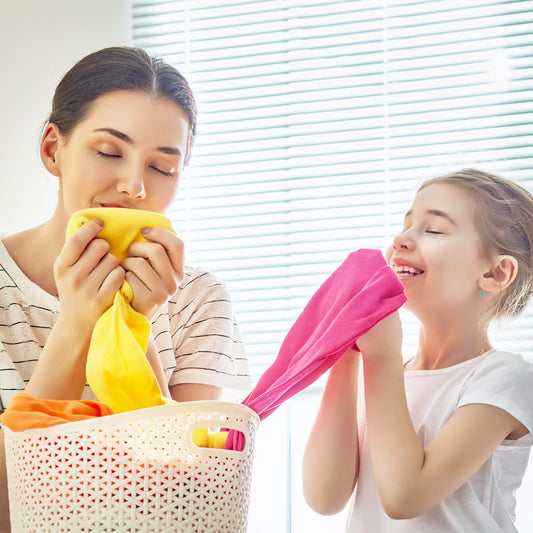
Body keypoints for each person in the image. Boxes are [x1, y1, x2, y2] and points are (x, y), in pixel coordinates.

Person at [0, 46, 251, 531]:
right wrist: (75, 325)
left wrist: (135, 324)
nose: (135, 185)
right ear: (53, 149)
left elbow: (189, 505)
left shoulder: (197, 298)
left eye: (163, 168)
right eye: (109, 152)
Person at [303, 168, 533, 532]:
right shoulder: (386, 377)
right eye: (406, 225)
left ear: (495, 274)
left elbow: (405, 496)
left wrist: (381, 354)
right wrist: (344, 352)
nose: (401, 240)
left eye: (434, 230)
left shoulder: (505, 379)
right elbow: (324, 497)